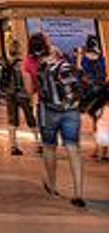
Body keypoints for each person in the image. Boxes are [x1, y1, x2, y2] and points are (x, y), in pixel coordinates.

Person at [35, 35, 86, 208]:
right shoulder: (63, 63)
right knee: (73, 149)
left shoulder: (40, 66)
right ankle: (78, 193)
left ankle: (52, 185)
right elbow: (78, 78)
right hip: (71, 110)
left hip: (50, 111)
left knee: (49, 147)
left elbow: (37, 90)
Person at [0, 41, 39, 155]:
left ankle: (13, 145)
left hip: (9, 93)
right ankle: (38, 143)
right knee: (30, 118)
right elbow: (26, 79)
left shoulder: (6, 63)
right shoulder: (22, 63)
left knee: (12, 120)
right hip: (22, 94)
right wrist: (31, 94)